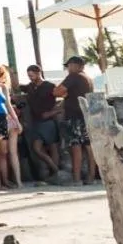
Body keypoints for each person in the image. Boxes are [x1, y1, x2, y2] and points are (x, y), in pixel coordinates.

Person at [54, 55, 99, 185]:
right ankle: (91, 177)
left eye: (69, 65)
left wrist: (64, 93)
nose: (68, 68)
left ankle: (76, 178)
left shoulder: (74, 76)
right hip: (86, 116)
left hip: (74, 116)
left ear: (76, 65)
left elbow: (57, 92)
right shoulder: (88, 78)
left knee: (76, 146)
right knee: (89, 147)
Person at [18, 65, 60, 180]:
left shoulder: (50, 86)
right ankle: (55, 169)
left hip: (48, 121)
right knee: (36, 148)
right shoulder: (30, 87)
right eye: (28, 76)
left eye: (32, 75)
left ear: (38, 73)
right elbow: (19, 87)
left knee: (53, 147)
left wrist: (53, 112)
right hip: (36, 121)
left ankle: (54, 173)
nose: (30, 78)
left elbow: (64, 98)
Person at [0, 65, 23, 186]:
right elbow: (8, 105)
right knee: (13, 153)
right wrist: (17, 121)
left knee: (1, 154)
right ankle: (18, 181)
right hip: (10, 120)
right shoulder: (3, 87)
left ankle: (2, 181)